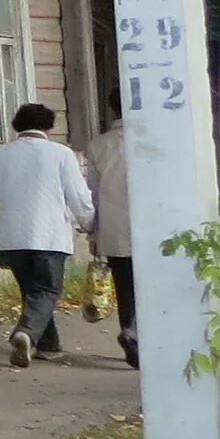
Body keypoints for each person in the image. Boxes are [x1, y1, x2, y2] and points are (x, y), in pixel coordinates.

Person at [0, 101, 94, 367]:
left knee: (33, 291)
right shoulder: (61, 153)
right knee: (47, 290)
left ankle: (48, 345)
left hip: (12, 236)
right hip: (50, 234)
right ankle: (26, 334)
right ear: (48, 127)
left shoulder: (1, 154)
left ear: (17, 126)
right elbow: (78, 196)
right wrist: (88, 224)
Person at [87, 105, 137, 369]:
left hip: (115, 228)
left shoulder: (99, 145)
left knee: (125, 284)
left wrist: (93, 231)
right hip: (155, 230)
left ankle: (130, 330)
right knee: (154, 286)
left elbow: (92, 193)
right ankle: (145, 336)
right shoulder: (153, 138)